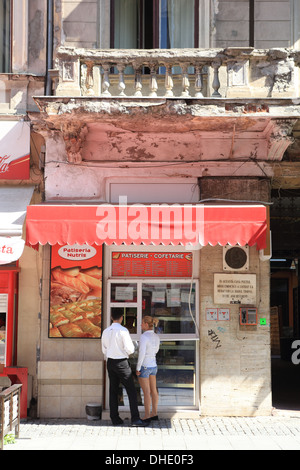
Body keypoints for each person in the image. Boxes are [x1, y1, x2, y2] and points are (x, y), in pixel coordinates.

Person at [102, 309, 147, 427]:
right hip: (122, 362)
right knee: (131, 391)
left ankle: (115, 418)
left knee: (113, 390)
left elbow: (104, 349)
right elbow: (130, 349)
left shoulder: (106, 331)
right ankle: (135, 419)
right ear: (122, 318)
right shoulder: (123, 331)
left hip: (110, 362)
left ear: (111, 317)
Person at [136, 316, 160, 422]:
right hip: (153, 365)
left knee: (146, 392)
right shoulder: (156, 336)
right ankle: (154, 413)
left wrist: (137, 368)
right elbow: (156, 350)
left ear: (146, 324)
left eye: (142, 323)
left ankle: (146, 415)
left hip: (144, 366)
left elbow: (141, 354)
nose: (140, 325)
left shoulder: (143, 337)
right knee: (153, 390)